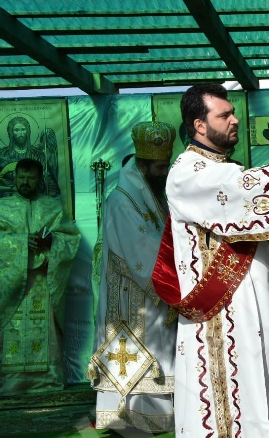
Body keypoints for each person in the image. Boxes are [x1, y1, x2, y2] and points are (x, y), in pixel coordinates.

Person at [151, 83, 269, 438]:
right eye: (224, 115)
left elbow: (240, 216)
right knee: (230, 396)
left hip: (252, 303)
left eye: (233, 113)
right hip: (222, 311)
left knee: (264, 382)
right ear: (199, 125)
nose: (235, 120)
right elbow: (242, 189)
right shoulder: (187, 172)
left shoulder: (222, 167)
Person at [90, 121, 177, 432]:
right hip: (131, 294)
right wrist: (178, 271)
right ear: (142, 165)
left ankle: (156, 417)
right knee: (135, 355)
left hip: (150, 291)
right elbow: (141, 248)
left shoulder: (153, 195)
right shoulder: (122, 200)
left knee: (157, 350)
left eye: (166, 166)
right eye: (159, 168)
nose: (164, 173)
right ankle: (128, 418)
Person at [0, 158, 80, 395]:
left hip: (43, 284)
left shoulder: (51, 207)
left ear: (40, 180)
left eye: (31, 178)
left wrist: (53, 240)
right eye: (21, 177)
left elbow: (71, 238)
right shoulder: (2, 207)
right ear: (15, 178)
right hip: (12, 286)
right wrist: (19, 242)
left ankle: (48, 380)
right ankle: (11, 382)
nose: (25, 182)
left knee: (45, 330)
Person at [0, 117, 60, 198]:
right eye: (17, 130)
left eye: (23, 129)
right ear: (11, 133)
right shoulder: (2, 154)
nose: (21, 133)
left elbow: (47, 178)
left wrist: (51, 192)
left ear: (27, 131)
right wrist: (10, 188)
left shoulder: (37, 154)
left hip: (33, 197)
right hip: (7, 198)